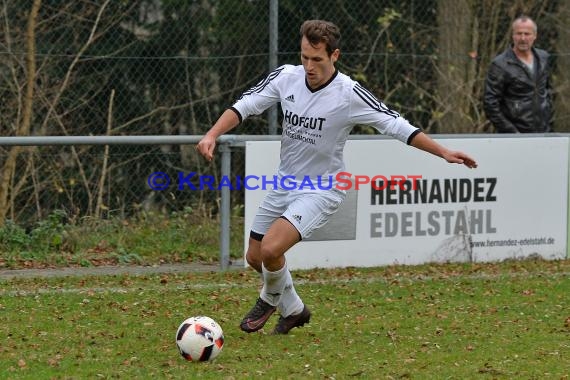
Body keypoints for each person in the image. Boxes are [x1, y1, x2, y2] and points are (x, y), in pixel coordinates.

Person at [196, 20, 477, 335]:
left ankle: (270, 298)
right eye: (305, 57)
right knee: (254, 256)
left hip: (323, 188)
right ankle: (295, 310)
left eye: (317, 59)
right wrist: (212, 135)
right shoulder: (287, 77)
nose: (309, 66)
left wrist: (443, 152)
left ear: (335, 55)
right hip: (285, 182)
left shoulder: (349, 93)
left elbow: (396, 125)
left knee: (272, 250)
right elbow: (246, 105)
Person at [483, 15, 553, 133]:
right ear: (513, 36)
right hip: (514, 135)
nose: (522, 38)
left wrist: (549, 119)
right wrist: (512, 132)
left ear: (535, 36)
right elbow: (490, 104)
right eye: (519, 33)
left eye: (527, 34)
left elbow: (548, 90)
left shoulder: (543, 58)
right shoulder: (500, 64)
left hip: (543, 132)